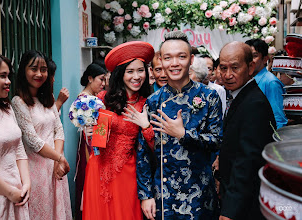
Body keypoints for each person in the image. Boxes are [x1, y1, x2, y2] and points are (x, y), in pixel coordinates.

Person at [137, 31, 223, 220]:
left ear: (191, 60)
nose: (174, 63)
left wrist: (183, 134)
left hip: (199, 192)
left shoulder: (209, 97)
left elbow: (216, 141)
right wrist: (146, 195)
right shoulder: (153, 101)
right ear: (160, 60)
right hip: (163, 194)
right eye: (168, 58)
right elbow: (142, 152)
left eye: (181, 57)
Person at [82, 41, 155, 220]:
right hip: (98, 168)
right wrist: (88, 132)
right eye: (130, 71)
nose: (136, 76)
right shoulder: (102, 99)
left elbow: (157, 148)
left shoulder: (148, 103)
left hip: (128, 173)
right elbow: (94, 139)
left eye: (140, 70)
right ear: (120, 75)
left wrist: (145, 126)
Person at [218, 42, 275, 220]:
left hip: (245, 206)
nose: (228, 75)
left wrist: (229, 211)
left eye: (235, 68)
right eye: (223, 68)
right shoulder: (239, 96)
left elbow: (247, 163)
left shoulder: (254, 104)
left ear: (250, 67)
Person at [11, 50, 72, 219]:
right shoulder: (18, 102)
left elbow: (58, 130)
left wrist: (57, 160)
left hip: (55, 167)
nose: (39, 74)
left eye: (43, 69)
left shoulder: (49, 98)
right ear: (23, 70)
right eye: (33, 68)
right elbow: (32, 141)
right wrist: (58, 158)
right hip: (35, 169)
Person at [0, 51, 30, 219]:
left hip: (17, 192)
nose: (8, 82)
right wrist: (9, 191)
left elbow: (19, 148)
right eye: (2, 76)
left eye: (8, 76)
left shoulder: (7, 108)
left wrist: (26, 184)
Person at [74, 62, 107, 220]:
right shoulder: (84, 100)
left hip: (96, 141)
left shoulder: (95, 98)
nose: (103, 83)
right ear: (90, 78)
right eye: (101, 79)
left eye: (105, 79)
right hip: (89, 143)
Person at [245, 39, 287, 129]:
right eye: (247, 56)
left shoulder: (271, 83)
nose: (250, 61)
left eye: (254, 56)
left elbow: (279, 119)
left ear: (265, 59)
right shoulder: (247, 80)